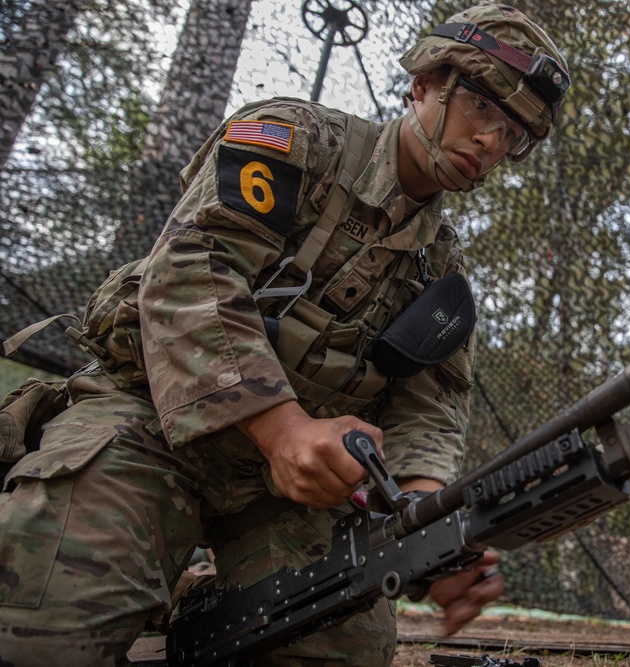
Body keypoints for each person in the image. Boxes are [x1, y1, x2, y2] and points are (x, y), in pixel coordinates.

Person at [0, 3, 570, 665]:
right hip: (151, 422)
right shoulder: (296, 143)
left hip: (289, 491)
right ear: (423, 84)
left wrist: (422, 523)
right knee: (43, 624)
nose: (492, 142)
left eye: (514, 133)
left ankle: (188, 599)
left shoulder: (442, 275)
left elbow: (429, 405)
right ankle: (151, 581)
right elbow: (192, 271)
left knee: (338, 643)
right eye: (479, 106)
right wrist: (283, 429)